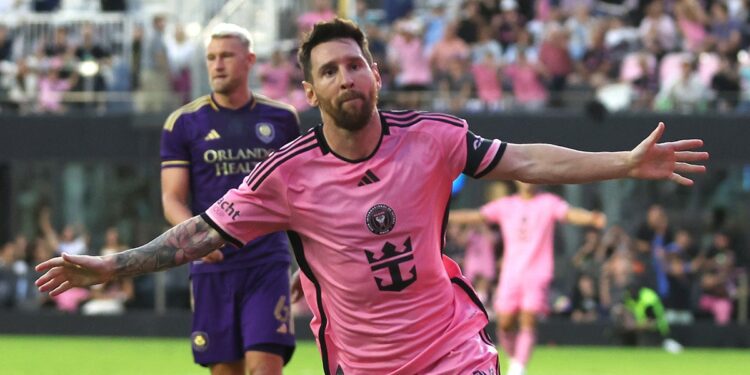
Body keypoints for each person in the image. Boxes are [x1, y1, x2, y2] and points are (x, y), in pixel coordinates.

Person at [35, 18, 708, 375]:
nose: (345, 76)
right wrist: (112, 265)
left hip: (453, 348)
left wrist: (623, 161)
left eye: (355, 63)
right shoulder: (286, 176)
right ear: (310, 92)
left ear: (378, 75)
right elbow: (198, 233)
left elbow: (527, 159)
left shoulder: (435, 139)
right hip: (361, 361)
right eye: (329, 70)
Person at [159, 23, 299, 374]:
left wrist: (311, 264)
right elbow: (172, 198)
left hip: (267, 260)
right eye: (211, 57)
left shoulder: (282, 119)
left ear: (249, 60)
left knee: (264, 368)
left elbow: (299, 198)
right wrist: (197, 239)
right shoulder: (183, 123)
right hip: (212, 264)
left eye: (226, 56)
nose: (217, 64)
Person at [450, 181, 607, 375]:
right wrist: (444, 215)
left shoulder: (548, 203)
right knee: (505, 323)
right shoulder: (506, 205)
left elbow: (569, 213)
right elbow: (475, 215)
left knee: (528, 319)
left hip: (538, 273)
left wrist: (592, 218)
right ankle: (516, 360)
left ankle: (518, 368)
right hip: (511, 274)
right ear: (516, 180)